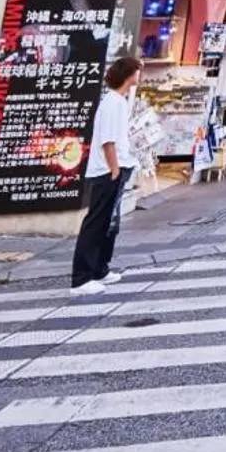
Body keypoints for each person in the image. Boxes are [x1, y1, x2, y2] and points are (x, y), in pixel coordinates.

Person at [72, 56, 142, 291]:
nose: (139, 76)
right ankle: (81, 278)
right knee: (97, 222)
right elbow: (108, 141)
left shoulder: (119, 101)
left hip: (116, 168)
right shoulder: (113, 102)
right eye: (137, 71)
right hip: (107, 171)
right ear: (129, 75)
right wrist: (114, 169)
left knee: (110, 223)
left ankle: (100, 269)